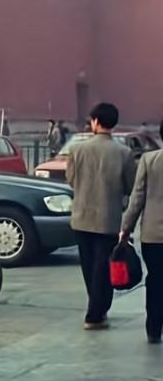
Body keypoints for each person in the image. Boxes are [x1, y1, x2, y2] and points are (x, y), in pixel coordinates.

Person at [64, 101, 139, 330]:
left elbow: (71, 180)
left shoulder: (77, 150)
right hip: (109, 219)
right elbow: (131, 186)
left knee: (89, 267)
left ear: (95, 122)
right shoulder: (124, 153)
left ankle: (96, 310)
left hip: (81, 217)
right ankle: (96, 313)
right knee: (102, 267)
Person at [117, 130, 163, 342]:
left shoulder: (149, 160)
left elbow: (137, 199)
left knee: (155, 279)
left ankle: (154, 328)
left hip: (153, 235)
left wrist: (126, 228)